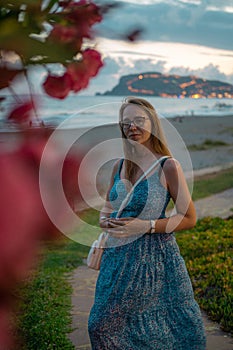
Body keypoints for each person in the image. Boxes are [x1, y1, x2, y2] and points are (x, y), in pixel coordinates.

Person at [88, 97, 206, 349]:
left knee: (161, 331)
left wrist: (145, 226)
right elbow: (108, 207)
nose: (132, 127)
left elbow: (189, 217)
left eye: (139, 120)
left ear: (152, 123)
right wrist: (105, 220)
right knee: (100, 326)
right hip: (117, 261)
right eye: (126, 122)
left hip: (156, 263)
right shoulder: (120, 166)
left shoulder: (168, 166)